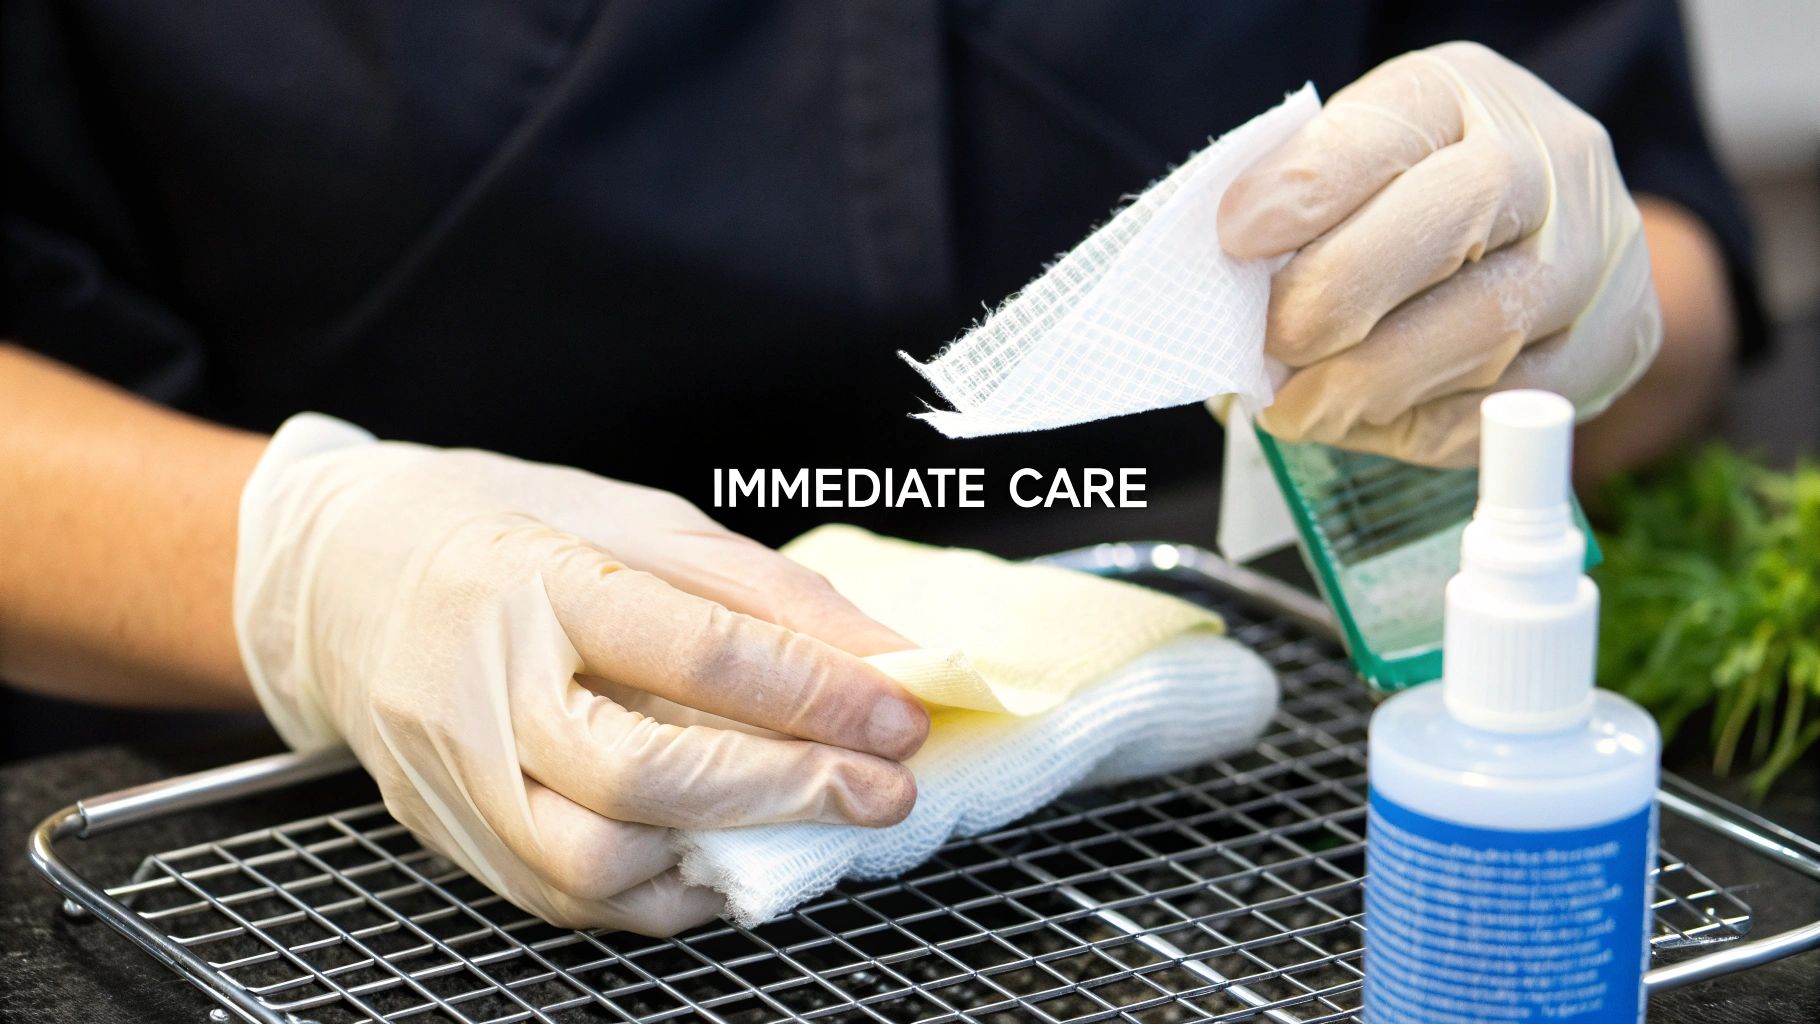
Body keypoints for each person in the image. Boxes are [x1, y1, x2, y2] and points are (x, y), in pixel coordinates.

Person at [1, 2, 1760, 932]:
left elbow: (1666, 266)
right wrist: (308, 560)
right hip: (305, 808)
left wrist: (1557, 306)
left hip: (1217, 772)